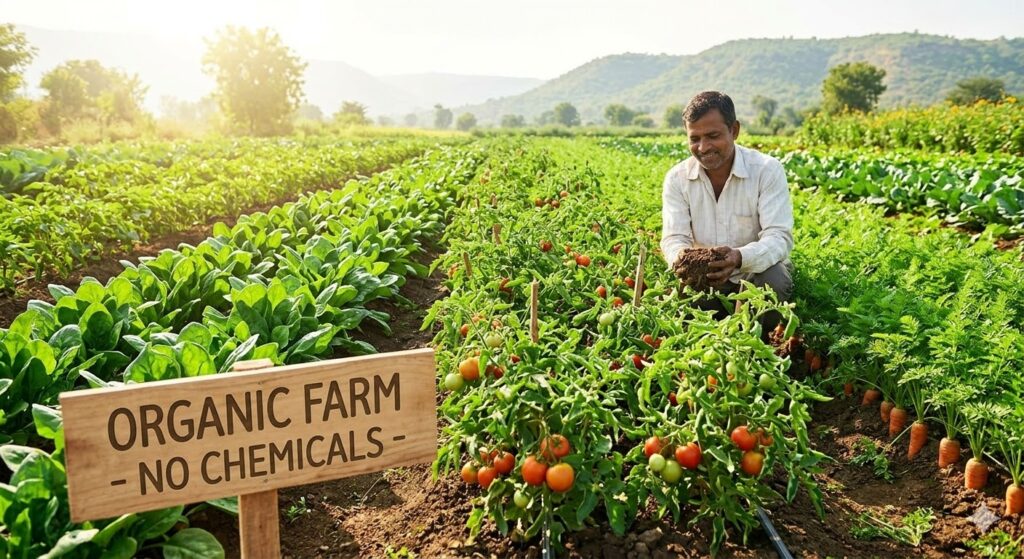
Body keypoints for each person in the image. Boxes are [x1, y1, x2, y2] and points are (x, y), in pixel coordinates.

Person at [660, 91, 794, 321]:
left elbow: (779, 237)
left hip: (752, 273)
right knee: (679, 296)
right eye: (694, 138)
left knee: (773, 279)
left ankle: (757, 343)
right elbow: (673, 238)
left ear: (734, 130)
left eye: (713, 135)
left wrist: (739, 257)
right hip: (706, 278)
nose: (703, 147)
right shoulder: (677, 178)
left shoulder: (766, 170)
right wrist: (681, 258)